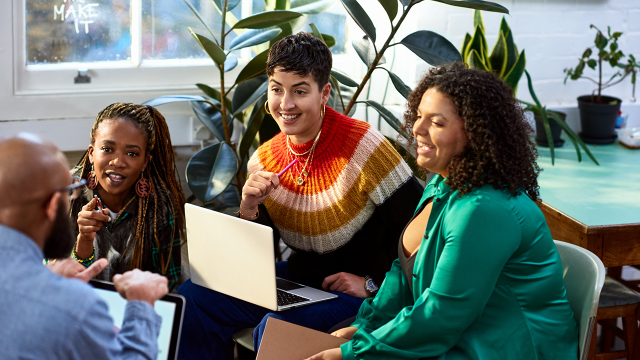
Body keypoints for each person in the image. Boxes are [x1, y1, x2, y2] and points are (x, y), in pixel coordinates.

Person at [307, 63, 580, 360]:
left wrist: (354, 353)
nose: (418, 129)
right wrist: (366, 327)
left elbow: (442, 316)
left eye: (436, 122)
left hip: (506, 348)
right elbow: (402, 277)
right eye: (419, 116)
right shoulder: (441, 180)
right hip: (460, 334)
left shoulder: (485, 209)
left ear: (476, 132)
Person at [177, 32, 423, 359]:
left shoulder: (365, 147)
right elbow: (254, 259)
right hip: (301, 281)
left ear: (325, 93)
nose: (286, 104)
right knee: (192, 296)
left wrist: (373, 283)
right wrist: (249, 208)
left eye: (300, 91)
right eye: (277, 89)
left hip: (362, 291)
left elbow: (422, 231)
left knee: (277, 328)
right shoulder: (263, 159)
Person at [0, 134, 169, 359]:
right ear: (52, 205)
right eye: (69, 191)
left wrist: (44, 277)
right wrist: (141, 305)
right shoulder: (78, 308)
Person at [70, 103, 187, 290]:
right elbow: (51, 280)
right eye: (107, 149)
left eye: (132, 153)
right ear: (92, 153)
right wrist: (84, 241)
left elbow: (166, 286)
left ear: (144, 163)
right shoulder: (66, 194)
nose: (118, 162)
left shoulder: (160, 206)